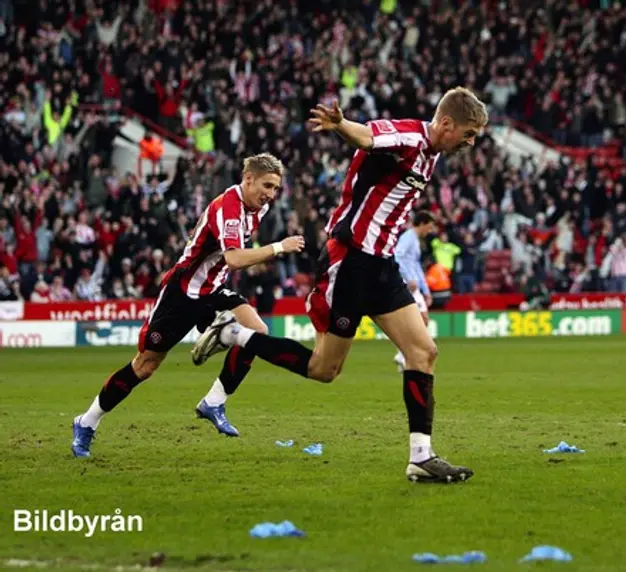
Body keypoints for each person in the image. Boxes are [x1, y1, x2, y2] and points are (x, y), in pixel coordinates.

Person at [193, 87, 488, 483]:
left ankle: (421, 456)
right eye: (468, 134)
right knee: (323, 369)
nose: (470, 143)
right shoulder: (410, 137)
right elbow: (369, 136)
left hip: (380, 266)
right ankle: (235, 333)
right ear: (447, 123)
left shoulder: (431, 154)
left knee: (423, 352)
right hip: (349, 261)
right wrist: (340, 125)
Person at [71, 153, 305, 458]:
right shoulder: (228, 207)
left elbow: (227, 256)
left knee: (256, 330)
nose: (271, 194)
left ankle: (214, 402)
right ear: (248, 179)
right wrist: (277, 248)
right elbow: (234, 258)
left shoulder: (257, 208)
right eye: (267, 185)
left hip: (212, 288)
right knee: (145, 366)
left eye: (275, 188)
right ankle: (86, 422)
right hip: (182, 293)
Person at [392, 210, 435, 371]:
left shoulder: (415, 240)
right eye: (429, 227)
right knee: (420, 319)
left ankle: (403, 355)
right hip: (407, 284)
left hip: (414, 284)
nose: (429, 231)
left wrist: (426, 289)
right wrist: (408, 277)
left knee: (422, 320)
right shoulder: (408, 237)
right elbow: (397, 256)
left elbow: (416, 265)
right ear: (422, 224)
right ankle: (404, 354)